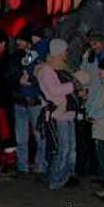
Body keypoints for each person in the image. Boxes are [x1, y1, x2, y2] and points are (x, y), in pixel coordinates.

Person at [37, 38, 80, 191]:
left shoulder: (61, 68)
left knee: (71, 148)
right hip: (58, 113)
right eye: (64, 51)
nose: (66, 54)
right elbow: (53, 91)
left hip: (68, 112)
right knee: (63, 148)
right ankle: (56, 180)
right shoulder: (46, 70)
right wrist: (72, 86)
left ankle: (65, 177)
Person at [7, 31, 46, 176]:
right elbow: (9, 76)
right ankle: (22, 166)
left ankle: (40, 166)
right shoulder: (15, 57)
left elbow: (43, 76)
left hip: (34, 100)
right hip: (20, 100)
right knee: (21, 136)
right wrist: (19, 79)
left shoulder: (40, 56)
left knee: (39, 135)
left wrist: (32, 81)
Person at [86, 55, 104, 202]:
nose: (98, 71)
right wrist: (90, 113)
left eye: (101, 69)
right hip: (102, 129)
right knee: (103, 161)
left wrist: (94, 115)